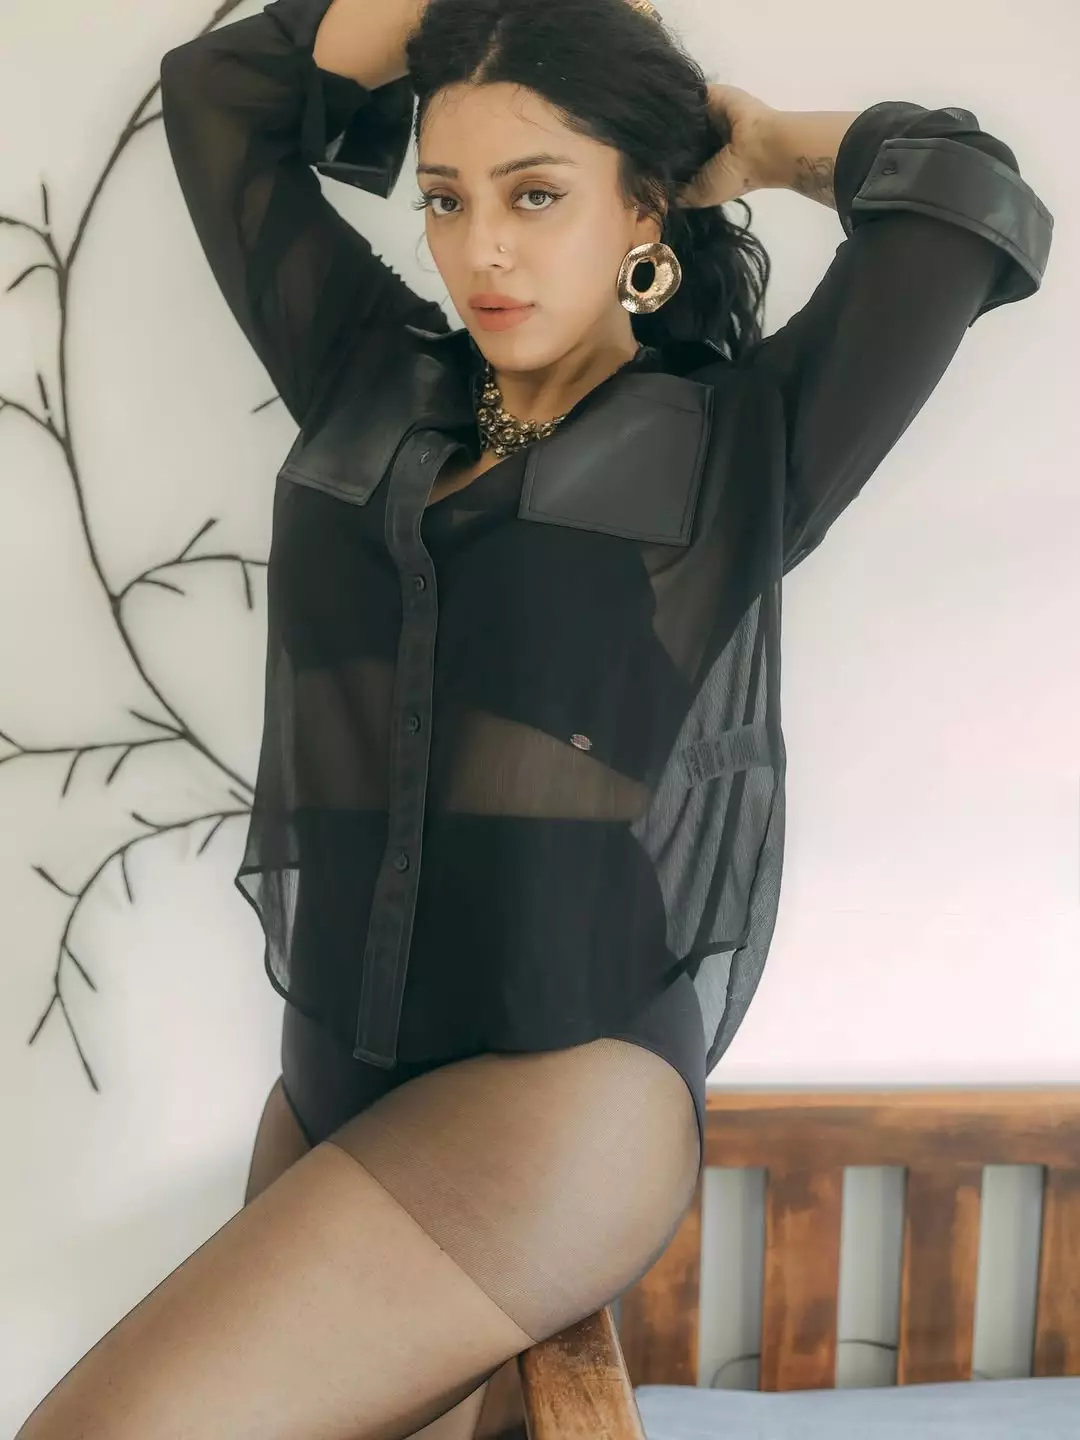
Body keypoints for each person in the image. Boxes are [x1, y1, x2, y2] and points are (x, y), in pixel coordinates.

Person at [16, 0, 1052, 1435]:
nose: (481, 250)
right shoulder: (369, 374)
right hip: (332, 1068)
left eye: (537, 195)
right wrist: (472, 16)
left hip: (557, 1086)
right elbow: (219, 95)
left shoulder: (738, 443)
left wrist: (758, 146)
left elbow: (958, 190)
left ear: (644, 210)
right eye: (446, 198)